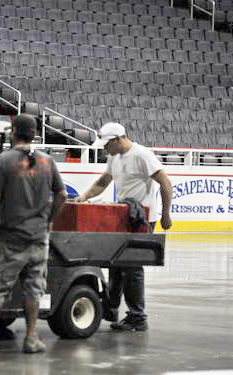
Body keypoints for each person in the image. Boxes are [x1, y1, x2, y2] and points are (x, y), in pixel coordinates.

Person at [0, 114, 67, 354]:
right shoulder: (48, 161)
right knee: (34, 286)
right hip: (39, 237)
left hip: (11, 236)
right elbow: (62, 195)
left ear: (14, 131)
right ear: (35, 133)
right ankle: (31, 338)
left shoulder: (4, 161)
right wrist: (49, 220)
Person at [74, 122, 172, 331]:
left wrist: (165, 214)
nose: (103, 148)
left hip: (142, 218)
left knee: (132, 268)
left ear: (118, 139)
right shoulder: (114, 157)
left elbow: (165, 183)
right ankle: (112, 311)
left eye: (106, 144)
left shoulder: (142, 155)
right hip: (122, 215)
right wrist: (82, 197)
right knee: (115, 266)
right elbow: (103, 182)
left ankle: (138, 318)